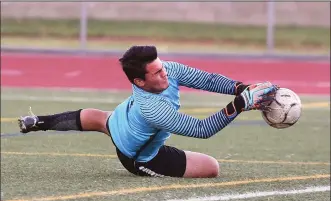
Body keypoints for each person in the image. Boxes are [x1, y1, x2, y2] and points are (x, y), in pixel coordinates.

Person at [18, 45, 278, 178]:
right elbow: (201, 129)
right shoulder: (152, 109)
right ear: (139, 82)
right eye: (157, 72)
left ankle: (39, 121)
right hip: (138, 157)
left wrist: (242, 88)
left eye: (162, 66)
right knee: (212, 167)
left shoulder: (167, 69)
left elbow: (207, 80)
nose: (165, 73)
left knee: (98, 118)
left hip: (120, 119)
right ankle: (136, 160)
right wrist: (240, 104)